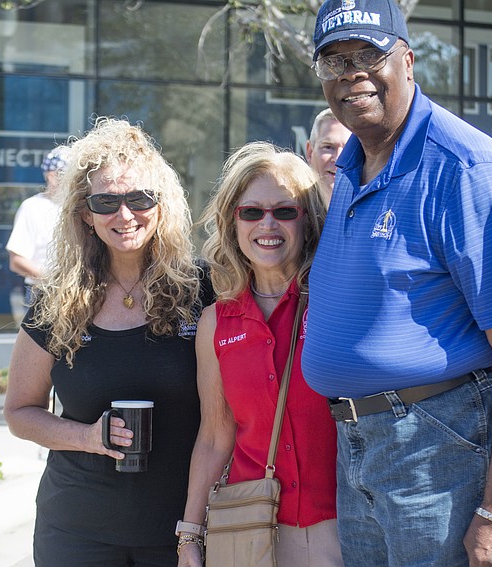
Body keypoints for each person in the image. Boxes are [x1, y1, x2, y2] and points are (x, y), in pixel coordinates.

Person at [302, 2, 492, 566]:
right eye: (334, 60)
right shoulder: (352, 165)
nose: (351, 72)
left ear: (408, 62)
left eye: (370, 54)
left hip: (441, 450)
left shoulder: (464, 168)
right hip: (362, 446)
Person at [3, 116, 213, 567]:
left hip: (181, 530)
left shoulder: (202, 290)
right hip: (76, 530)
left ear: (162, 205)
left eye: (139, 198)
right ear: (84, 212)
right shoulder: (57, 302)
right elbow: (20, 413)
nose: (124, 214)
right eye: (107, 201)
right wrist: (87, 437)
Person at [176, 142, 342, 567]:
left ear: (308, 221)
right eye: (252, 212)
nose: (267, 224)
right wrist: (189, 535)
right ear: (233, 222)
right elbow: (215, 437)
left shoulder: (336, 302)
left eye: (285, 211)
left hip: (342, 525)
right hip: (250, 530)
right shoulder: (215, 322)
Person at [6, 146, 70, 302]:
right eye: (67, 174)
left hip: (80, 290)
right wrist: (55, 281)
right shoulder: (32, 207)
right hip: (43, 292)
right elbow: (16, 261)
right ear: (51, 175)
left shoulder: (81, 206)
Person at [305, 108, 352, 201]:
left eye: (348, 149)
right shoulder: (292, 208)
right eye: (328, 147)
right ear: (310, 152)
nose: (338, 159)